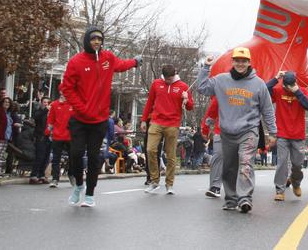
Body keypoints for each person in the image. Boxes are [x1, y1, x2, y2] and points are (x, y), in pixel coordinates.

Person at [60, 27, 141, 208]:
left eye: (100, 39)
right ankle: (78, 186)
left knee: (95, 157)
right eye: (94, 38)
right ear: (87, 40)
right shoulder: (76, 62)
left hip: (99, 120)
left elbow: (121, 65)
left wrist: (135, 62)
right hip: (80, 119)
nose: (97, 41)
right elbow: (66, 88)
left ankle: (89, 194)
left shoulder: (107, 58)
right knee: (76, 153)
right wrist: (81, 108)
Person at [195, 47, 277, 214]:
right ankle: (231, 199)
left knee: (245, 163)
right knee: (229, 167)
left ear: (249, 63)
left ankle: (245, 198)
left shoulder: (259, 84)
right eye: (237, 60)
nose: (240, 64)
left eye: (244, 61)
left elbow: (267, 110)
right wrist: (206, 67)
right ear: (232, 62)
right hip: (226, 132)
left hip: (248, 131)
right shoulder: (221, 80)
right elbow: (202, 88)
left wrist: (273, 132)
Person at [141, 64, 193, 195]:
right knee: (150, 150)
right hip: (156, 121)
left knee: (171, 156)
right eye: (166, 78)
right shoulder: (156, 84)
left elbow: (190, 107)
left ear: (175, 74)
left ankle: (169, 184)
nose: (168, 81)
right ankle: (154, 181)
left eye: (170, 78)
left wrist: (186, 100)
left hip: (172, 123)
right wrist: (143, 120)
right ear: (163, 75)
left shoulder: (183, 86)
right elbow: (149, 102)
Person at [265, 70, 308, 201]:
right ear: (283, 84)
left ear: (295, 82)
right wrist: (275, 78)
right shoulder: (279, 91)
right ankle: (280, 190)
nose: (288, 88)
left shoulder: (302, 91)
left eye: (291, 85)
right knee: (282, 162)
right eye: (286, 86)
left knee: (297, 164)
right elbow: (263, 91)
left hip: (298, 135)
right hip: (282, 134)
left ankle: (296, 182)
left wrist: (297, 92)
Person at [47, 93, 73, 187]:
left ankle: (71, 174)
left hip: (70, 136)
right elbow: (51, 119)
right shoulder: (54, 104)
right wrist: (48, 130)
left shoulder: (73, 104)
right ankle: (55, 179)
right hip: (57, 135)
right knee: (56, 158)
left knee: (73, 157)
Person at [202, 97, 223, 198]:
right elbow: (211, 112)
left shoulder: (250, 86)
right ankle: (215, 187)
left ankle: (240, 191)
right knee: (218, 156)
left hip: (242, 132)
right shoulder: (222, 88)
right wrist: (205, 128)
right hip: (221, 130)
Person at [30, 96, 50, 184]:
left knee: (46, 156)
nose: (46, 104)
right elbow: (36, 117)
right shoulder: (39, 111)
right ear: (41, 103)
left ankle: (41, 175)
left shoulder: (50, 112)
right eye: (44, 102)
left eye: (47, 102)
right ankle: (34, 175)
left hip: (49, 136)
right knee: (39, 156)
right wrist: (45, 110)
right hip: (40, 136)